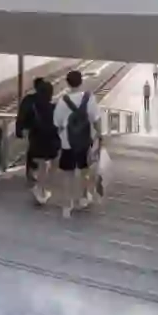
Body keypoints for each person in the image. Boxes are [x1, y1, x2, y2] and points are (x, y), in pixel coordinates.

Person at [53, 70, 102, 218]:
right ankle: (83, 198)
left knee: (68, 174)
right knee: (84, 170)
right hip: (84, 141)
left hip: (67, 143)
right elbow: (96, 119)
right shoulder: (89, 98)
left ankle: (67, 205)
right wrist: (99, 135)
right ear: (81, 81)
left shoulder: (62, 101)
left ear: (67, 83)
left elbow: (57, 123)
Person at [24, 79, 60, 206]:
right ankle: (42, 190)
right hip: (51, 142)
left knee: (41, 165)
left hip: (37, 142)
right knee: (50, 164)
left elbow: (27, 125)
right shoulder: (55, 108)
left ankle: (40, 190)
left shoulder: (33, 107)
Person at [16, 77, 46, 185]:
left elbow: (21, 115)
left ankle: (31, 173)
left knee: (32, 151)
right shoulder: (46, 99)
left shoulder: (28, 99)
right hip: (42, 130)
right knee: (41, 152)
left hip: (32, 129)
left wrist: (19, 129)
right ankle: (37, 174)